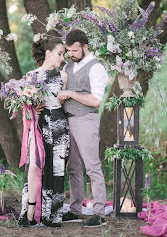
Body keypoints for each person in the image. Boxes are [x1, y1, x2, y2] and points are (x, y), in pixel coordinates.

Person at [57, 29, 109, 228]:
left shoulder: (96, 68)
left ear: (85, 47)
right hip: (68, 120)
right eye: (69, 50)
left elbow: (96, 100)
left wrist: (70, 93)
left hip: (86, 120)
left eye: (75, 50)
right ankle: (75, 210)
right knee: (73, 168)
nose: (71, 54)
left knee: (92, 167)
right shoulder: (69, 66)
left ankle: (99, 214)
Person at [18, 37, 69, 228]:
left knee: (56, 168)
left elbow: (62, 102)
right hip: (39, 125)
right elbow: (25, 103)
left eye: (63, 54)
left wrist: (63, 99)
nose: (62, 58)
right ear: (48, 53)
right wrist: (30, 108)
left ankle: (52, 215)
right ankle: (30, 209)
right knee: (34, 165)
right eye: (59, 53)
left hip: (58, 124)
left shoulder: (63, 76)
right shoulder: (32, 76)